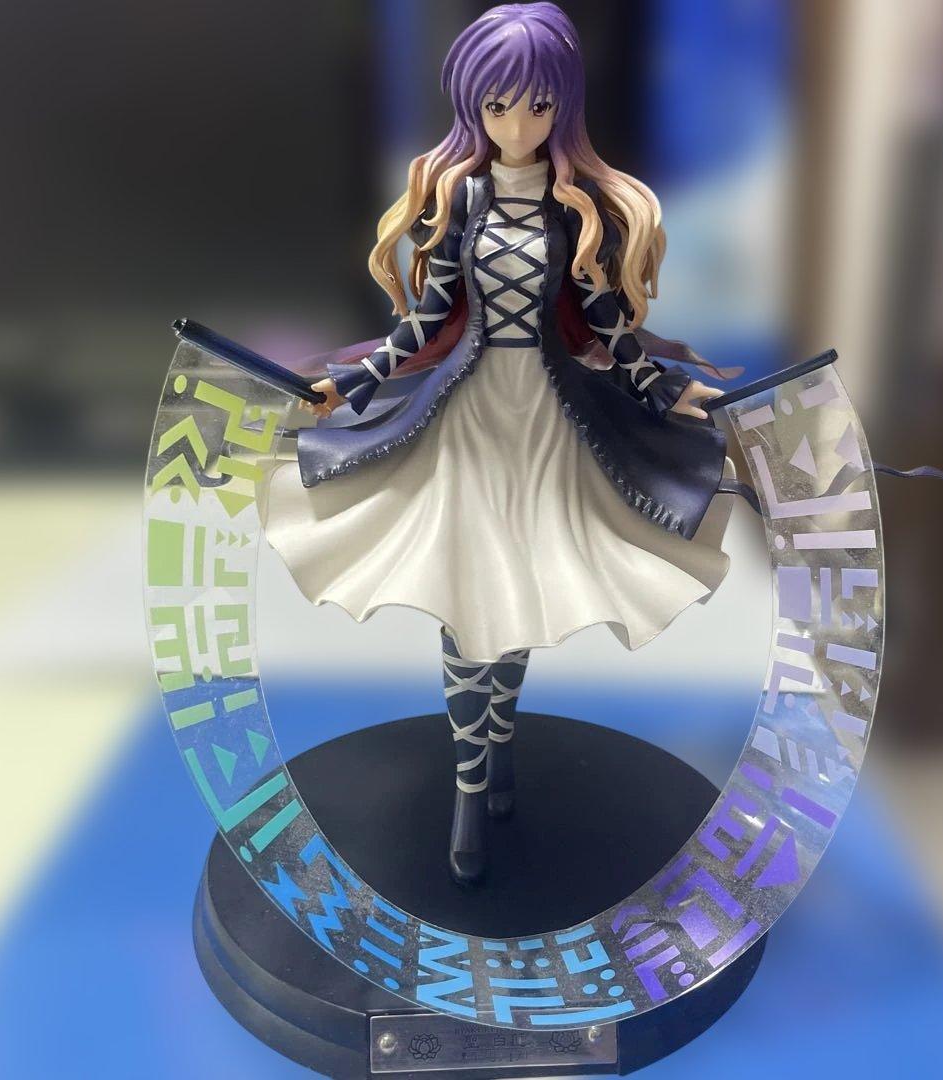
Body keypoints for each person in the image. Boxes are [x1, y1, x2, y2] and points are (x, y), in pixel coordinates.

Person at [262, 2, 746, 885]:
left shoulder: (574, 213)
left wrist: (670, 390)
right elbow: (423, 322)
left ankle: (497, 752)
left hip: (549, 420)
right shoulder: (463, 200)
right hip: (469, 419)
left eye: (536, 105)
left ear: (562, 106)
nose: (517, 125)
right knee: (466, 596)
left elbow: (607, 327)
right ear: (472, 107)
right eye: (497, 107)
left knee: (515, 593)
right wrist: (353, 383)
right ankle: (469, 785)